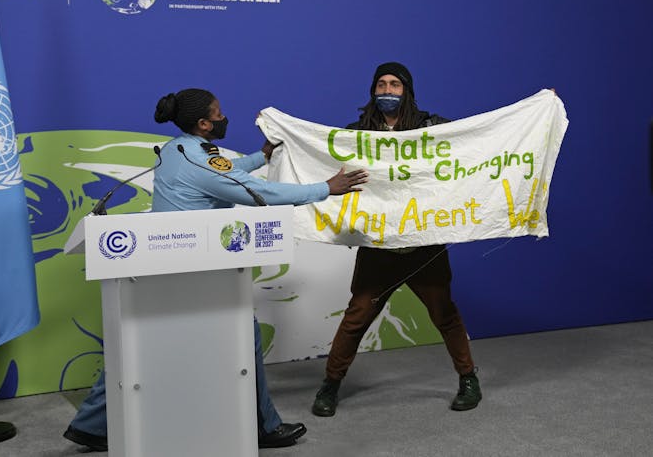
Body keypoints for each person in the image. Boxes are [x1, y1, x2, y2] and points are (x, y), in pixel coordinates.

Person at [64, 88, 368, 451]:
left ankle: (90, 425)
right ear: (204, 123)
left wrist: (262, 155)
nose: (224, 117)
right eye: (218, 113)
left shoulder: (178, 150)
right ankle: (262, 426)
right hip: (197, 271)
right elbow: (259, 193)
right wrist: (325, 188)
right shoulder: (200, 160)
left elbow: (226, 171)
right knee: (243, 336)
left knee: (131, 342)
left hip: (160, 268)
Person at [310, 62, 482, 418]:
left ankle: (468, 379)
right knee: (356, 317)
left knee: (444, 314)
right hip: (378, 247)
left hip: (424, 245)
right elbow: (324, 162)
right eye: (381, 84)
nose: (387, 91)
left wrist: (533, 114)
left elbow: (478, 139)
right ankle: (330, 385)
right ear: (373, 90)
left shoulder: (431, 129)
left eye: (395, 85)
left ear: (407, 91)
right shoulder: (356, 134)